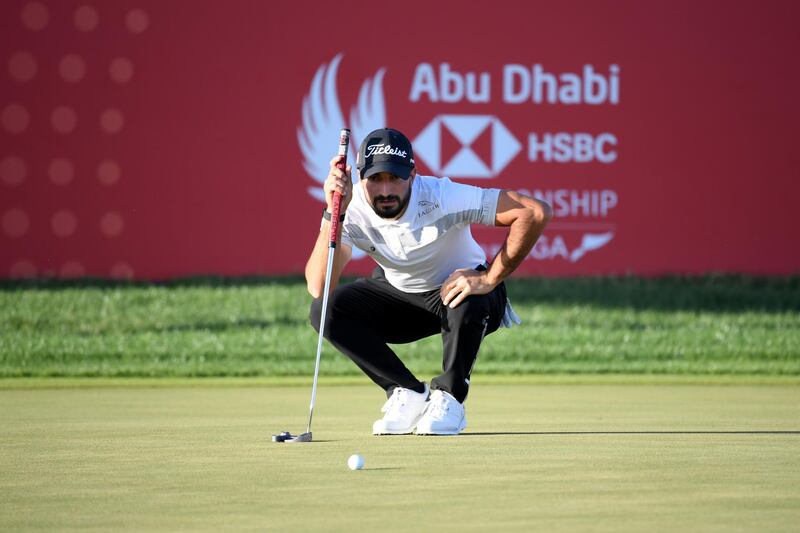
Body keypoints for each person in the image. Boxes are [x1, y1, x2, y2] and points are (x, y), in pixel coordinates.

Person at [306, 128, 552, 436]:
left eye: (394, 177)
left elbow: (535, 212)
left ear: (412, 174)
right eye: (375, 179)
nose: (385, 190)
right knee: (324, 309)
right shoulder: (349, 209)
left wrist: (489, 277)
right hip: (401, 299)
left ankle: (450, 398)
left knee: (468, 295)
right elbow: (319, 287)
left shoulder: (443, 197)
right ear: (359, 177)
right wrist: (333, 213)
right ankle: (406, 391)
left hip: (462, 295)